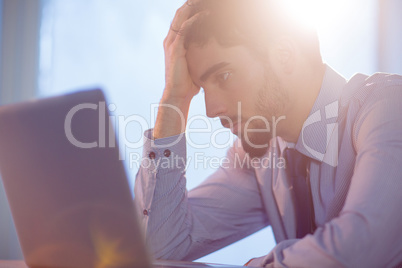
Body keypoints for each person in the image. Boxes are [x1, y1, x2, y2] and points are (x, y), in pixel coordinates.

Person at [134, 0, 402, 267]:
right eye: (201, 88)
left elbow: (361, 250)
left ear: (283, 55)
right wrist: (175, 97)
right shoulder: (260, 158)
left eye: (224, 76)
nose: (211, 110)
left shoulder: (389, 105)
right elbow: (157, 248)